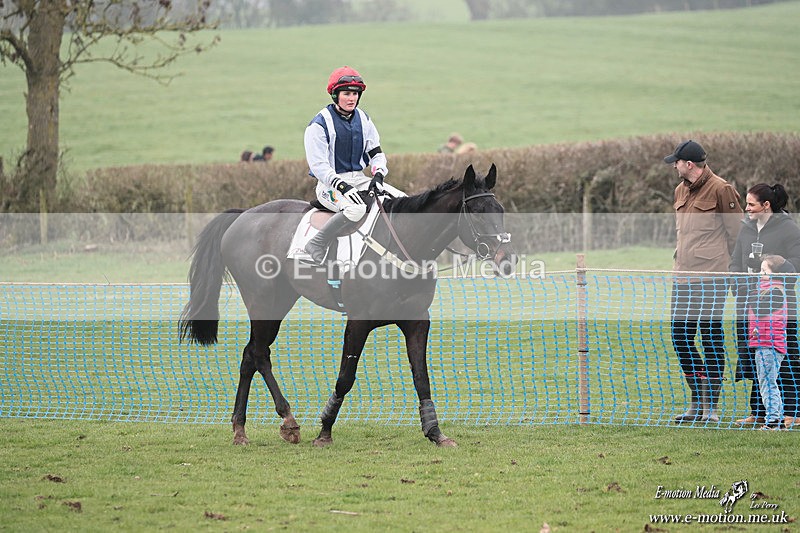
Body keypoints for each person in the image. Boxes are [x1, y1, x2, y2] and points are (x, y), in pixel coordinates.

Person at [665, 140, 743, 424]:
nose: (673, 165)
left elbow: (737, 236)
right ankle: (696, 400)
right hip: (682, 277)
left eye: (676, 161)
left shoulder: (722, 190)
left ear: (689, 164)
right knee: (680, 338)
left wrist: (736, 275)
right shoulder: (679, 190)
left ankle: (711, 406)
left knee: (710, 338)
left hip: (712, 277)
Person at [303, 66, 404, 265]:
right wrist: (342, 186)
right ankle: (317, 244)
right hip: (329, 185)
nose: (352, 98)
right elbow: (318, 166)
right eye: (347, 93)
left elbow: (376, 153)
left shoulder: (364, 119)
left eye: (355, 94)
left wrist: (378, 175)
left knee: (402, 199)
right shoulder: (319, 124)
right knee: (356, 210)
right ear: (335, 95)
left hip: (360, 179)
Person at [730, 183, 800, 429]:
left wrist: (777, 265)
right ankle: (759, 411)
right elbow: (735, 260)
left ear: (766, 205)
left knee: (786, 356)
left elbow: (796, 262)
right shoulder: (746, 228)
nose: (746, 208)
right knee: (754, 356)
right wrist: (738, 285)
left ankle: (793, 411)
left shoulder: (788, 228)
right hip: (748, 301)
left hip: (779, 303)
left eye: (751, 204)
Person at [747, 254, 789, 430]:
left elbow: (759, 308)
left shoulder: (776, 291)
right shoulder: (765, 288)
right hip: (762, 342)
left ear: (776, 274)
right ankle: (775, 419)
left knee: (767, 383)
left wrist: (748, 286)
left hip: (770, 345)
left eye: (764, 271)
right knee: (765, 382)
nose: (760, 273)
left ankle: (773, 421)